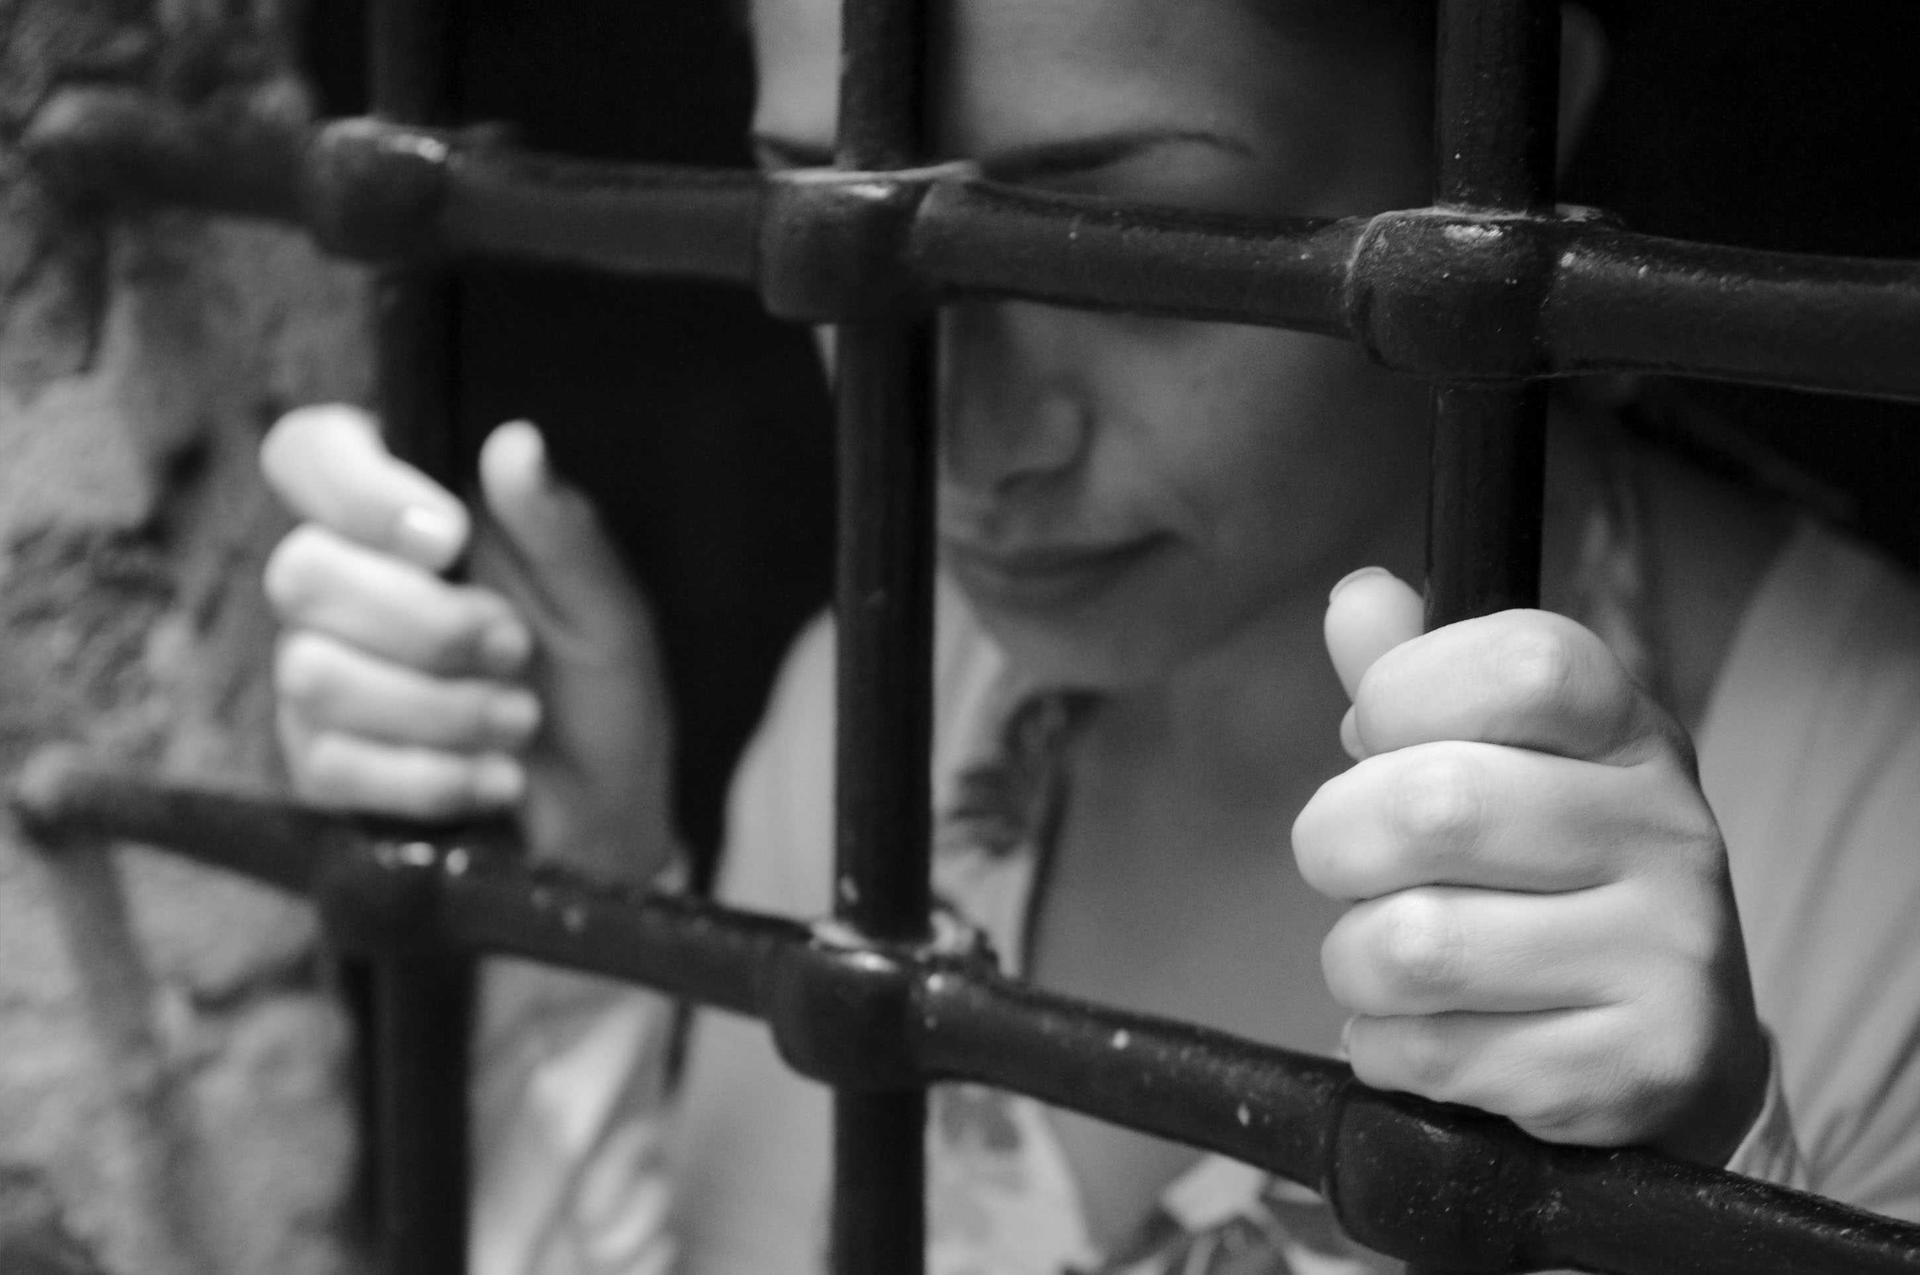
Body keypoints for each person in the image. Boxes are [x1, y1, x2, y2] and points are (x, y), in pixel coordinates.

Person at [257, 0, 1920, 1270]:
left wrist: (1694, 1207)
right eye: (829, 233)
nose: (967, 442)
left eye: (1122, 244)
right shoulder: (893, 689)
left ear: (1497, 149)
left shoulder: (1872, 826)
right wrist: (584, 915)